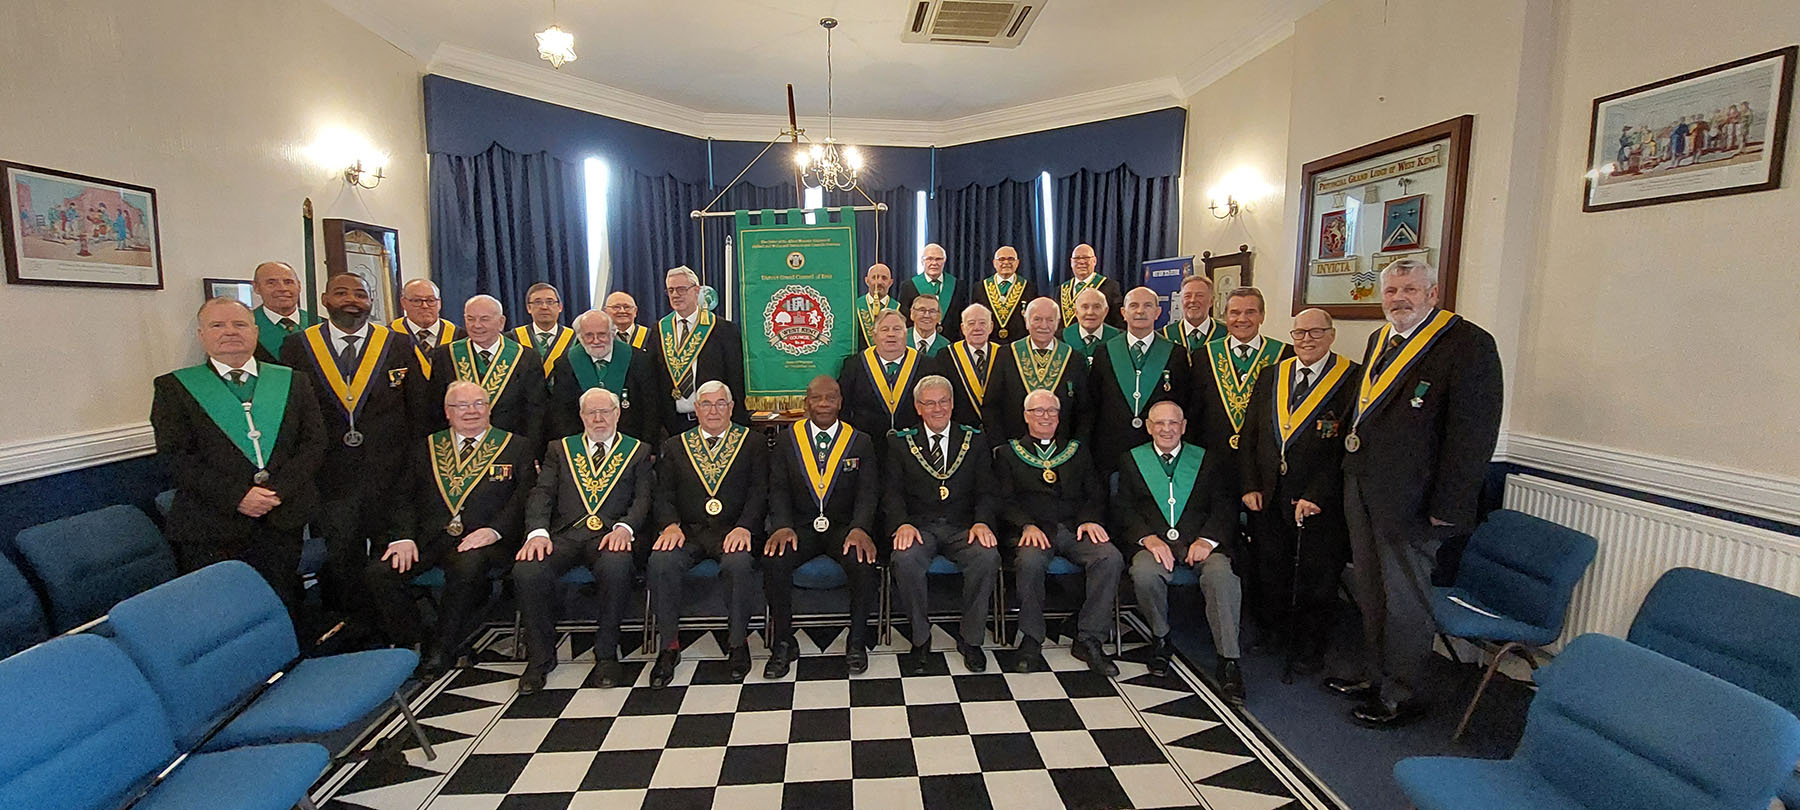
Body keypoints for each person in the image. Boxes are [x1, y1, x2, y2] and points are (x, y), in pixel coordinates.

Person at [1324, 259, 1502, 728]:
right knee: (1370, 589)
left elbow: (1473, 436)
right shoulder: (1381, 338)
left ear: (1433, 293)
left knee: (1406, 598)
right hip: (1363, 485)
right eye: (1391, 290)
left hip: (1416, 501)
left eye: (1410, 289)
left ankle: (1402, 692)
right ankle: (1377, 674)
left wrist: (1450, 506)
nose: (1399, 298)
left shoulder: (1468, 345)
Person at [152, 298, 325, 611]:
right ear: (202, 335)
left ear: (255, 332)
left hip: (281, 518)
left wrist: (275, 492)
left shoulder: (293, 381)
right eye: (217, 325)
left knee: (284, 604)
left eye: (239, 324)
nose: (230, 331)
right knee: (225, 613)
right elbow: (174, 459)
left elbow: (313, 443)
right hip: (212, 524)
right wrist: (238, 496)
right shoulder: (174, 389)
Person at [278, 272, 426, 621]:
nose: (351, 300)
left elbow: (418, 407)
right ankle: (355, 627)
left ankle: (395, 626)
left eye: (360, 294)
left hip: (390, 472)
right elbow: (291, 413)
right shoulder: (299, 346)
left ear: (370, 302)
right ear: (325, 299)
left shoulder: (396, 344)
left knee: (390, 554)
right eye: (341, 293)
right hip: (331, 475)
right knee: (342, 555)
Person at [366, 381, 535, 674]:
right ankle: (413, 641)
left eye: (478, 404)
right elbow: (403, 496)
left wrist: (494, 531)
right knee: (380, 573)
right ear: (447, 412)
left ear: (489, 408)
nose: (471, 411)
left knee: (467, 567)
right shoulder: (426, 447)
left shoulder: (516, 446)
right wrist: (403, 537)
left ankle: (443, 649)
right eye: (462, 405)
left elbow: (524, 500)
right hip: (429, 538)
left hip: (487, 540)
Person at [1238, 308, 1358, 674]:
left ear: (1331, 335)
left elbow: (1346, 448)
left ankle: (1310, 648)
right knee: (1270, 570)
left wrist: (1317, 495)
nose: (1306, 340)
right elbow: (1250, 437)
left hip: (1317, 501)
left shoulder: (1351, 379)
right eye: (1299, 333)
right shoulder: (1273, 375)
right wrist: (1250, 485)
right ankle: (1273, 634)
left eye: (1315, 332)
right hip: (1270, 495)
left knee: (1315, 577)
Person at [515, 388, 654, 692]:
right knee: (528, 568)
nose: (599, 418)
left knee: (617, 567)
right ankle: (540, 658)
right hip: (565, 535)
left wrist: (625, 528)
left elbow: (643, 499)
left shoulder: (638, 451)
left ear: (618, 413)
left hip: (610, 536)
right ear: (581, 416)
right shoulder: (560, 449)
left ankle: (606, 655)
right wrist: (537, 532)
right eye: (591, 412)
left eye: (605, 411)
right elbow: (542, 493)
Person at [1121, 401, 1244, 701]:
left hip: (1201, 544)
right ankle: (1161, 638)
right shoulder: (1130, 460)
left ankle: (1229, 660)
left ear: (1184, 426)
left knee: (1222, 577)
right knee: (1144, 573)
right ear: (1148, 426)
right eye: (1159, 423)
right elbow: (1124, 508)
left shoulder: (1208, 460)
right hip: (1155, 545)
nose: (1166, 429)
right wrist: (1148, 538)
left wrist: (1208, 540)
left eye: (1173, 423)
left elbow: (1225, 506)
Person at [993, 388, 1121, 676]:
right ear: (1026, 416)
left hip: (1075, 528)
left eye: (1051, 411)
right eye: (1038, 411)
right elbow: (1003, 500)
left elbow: (1095, 494)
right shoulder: (1007, 453)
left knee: (1109, 557)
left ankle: (1089, 638)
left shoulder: (1077, 450)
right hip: (1034, 530)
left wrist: (1090, 519)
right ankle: (1031, 638)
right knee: (1030, 561)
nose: (1045, 416)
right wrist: (1026, 524)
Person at [648, 382, 766, 687]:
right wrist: (670, 524)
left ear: (731, 407)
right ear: (696, 409)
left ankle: (737, 644)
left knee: (738, 565)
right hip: (687, 531)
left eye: (720, 404)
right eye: (706, 404)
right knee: (661, 561)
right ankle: (668, 646)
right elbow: (663, 494)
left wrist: (745, 526)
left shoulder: (752, 442)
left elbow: (759, 492)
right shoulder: (675, 446)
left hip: (733, 530)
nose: (713, 411)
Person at [762, 376, 880, 678]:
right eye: (817, 398)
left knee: (863, 560)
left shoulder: (860, 441)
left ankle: (856, 642)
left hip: (843, 527)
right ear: (807, 402)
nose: (824, 404)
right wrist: (783, 525)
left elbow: (868, 492)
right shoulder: (788, 438)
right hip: (800, 526)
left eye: (831, 398)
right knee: (774, 560)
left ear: (841, 402)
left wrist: (860, 527)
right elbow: (777, 488)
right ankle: (784, 642)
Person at [884, 375, 1000, 675]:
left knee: (987, 556)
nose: (938, 409)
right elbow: (891, 491)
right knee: (904, 558)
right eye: (930, 403)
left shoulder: (974, 439)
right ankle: (920, 639)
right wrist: (901, 524)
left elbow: (987, 489)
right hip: (920, 526)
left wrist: (983, 522)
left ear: (952, 403)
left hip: (963, 526)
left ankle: (971, 639)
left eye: (944, 402)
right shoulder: (898, 442)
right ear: (918, 407)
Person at [1087, 287, 1190, 473]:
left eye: (1147, 306)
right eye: (1134, 306)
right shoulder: (1104, 352)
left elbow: (1183, 403)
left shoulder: (1176, 354)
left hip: (1156, 450)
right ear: (1123, 313)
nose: (1140, 311)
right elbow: (1093, 403)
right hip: (1110, 452)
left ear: (1158, 313)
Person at [426, 296, 547, 448]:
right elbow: (435, 408)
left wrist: (531, 451)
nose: (477, 325)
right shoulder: (445, 355)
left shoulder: (527, 357)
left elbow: (535, 413)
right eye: (470, 319)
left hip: (511, 447)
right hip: (457, 446)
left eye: (484, 319)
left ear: (501, 322)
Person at [1188, 286, 1292, 458]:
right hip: (1213, 457)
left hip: (1263, 456)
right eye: (1235, 312)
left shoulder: (1285, 355)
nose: (1242, 319)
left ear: (1262, 316)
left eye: (1250, 312)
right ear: (1225, 317)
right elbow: (1194, 412)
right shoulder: (1203, 356)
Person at [644, 265, 747, 436]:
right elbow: (653, 382)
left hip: (715, 423)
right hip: (673, 426)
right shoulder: (659, 330)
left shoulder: (723, 329)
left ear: (697, 290)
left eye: (682, 289)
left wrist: (739, 423)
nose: (676, 295)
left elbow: (735, 379)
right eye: (671, 290)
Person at [983, 298, 1092, 444]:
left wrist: (1077, 446)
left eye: (1050, 320)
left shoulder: (1074, 358)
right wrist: (1000, 447)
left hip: (1062, 451)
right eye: (1037, 319)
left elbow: (1085, 411)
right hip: (1015, 449)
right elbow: (991, 406)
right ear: (1026, 322)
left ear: (1058, 322)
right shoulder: (1006, 355)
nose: (1044, 325)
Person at [547, 310, 663, 444]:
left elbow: (651, 409)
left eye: (602, 334)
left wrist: (649, 447)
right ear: (579, 337)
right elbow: (561, 413)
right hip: (582, 445)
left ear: (613, 333)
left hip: (632, 445)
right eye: (589, 335)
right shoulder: (565, 364)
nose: (596, 340)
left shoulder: (639, 361)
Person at [838, 309, 942, 441]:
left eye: (897, 329)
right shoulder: (854, 366)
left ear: (906, 334)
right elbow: (844, 410)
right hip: (868, 445)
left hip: (914, 446)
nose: (891, 334)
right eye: (885, 329)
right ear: (874, 336)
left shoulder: (927, 366)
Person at [898, 243, 967, 343]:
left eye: (938, 259)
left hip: (950, 344)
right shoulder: (908, 286)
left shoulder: (958, 285)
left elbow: (962, 317)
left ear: (944, 261)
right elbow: (904, 319)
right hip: (919, 344)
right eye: (929, 259)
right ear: (922, 261)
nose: (934, 263)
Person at [250, 261, 316, 363]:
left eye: (288, 282)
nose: (282, 288)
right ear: (256, 288)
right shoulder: (245, 327)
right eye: (271, 283)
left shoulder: (319, 323)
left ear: (299, 286)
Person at [944, 304, 997, 428]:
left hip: (997, 432)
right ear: (963, 328)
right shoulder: (946, 356)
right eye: (971, 323)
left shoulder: (1003, 354)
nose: (977, 328)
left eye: (983, 323)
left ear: (991, 327)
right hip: (961, 431)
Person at [392, 279, 457, 379]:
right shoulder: (389, 337)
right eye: (417, 301)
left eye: (431, 300)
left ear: (439, 303)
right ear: (403, 303)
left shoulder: (459, 337)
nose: (425, 306)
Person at [974, 246, 1037, 342]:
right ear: (994, 263)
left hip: (1018, 344)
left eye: (1011, 259)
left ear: (1017, 263)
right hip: (988, 343)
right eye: (1001, 259)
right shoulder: (980, 288)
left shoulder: (1029, 288)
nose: (1006, 263)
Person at [512, 282, 574, 379]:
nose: (544, 307)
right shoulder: (513, 339)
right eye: (537, 302)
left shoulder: (575, 339)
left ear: (560, 307)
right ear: (528, 308)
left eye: (550, 302)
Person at [1057, 243, 1123, 329]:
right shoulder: (1062, 289)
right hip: (1067, 339)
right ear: (1071, 262)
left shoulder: (1110, 286)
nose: (1081, 262)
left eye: (1086, 258)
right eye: (1077, 258)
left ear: (1094, 261)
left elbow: (1116, 321)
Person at [1161, 275, 1224, 353]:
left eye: (1199, 296)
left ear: (1211, 301)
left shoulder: (1225, 333)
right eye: (1187, 296)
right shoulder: (1165, 335)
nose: (1193, 300)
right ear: (1181, 300)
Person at [1061, 288, 1120, 364]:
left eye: (1097, 307)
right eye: (1085, 307)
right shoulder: (1060, 339)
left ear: (1106, 311)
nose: (1090, 312)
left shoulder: (1118, 339)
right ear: (1076, 312)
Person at [853, 263, 898, 350]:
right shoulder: (854, 307)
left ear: (890, 282)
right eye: (875, 277)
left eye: (884, 278)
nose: (879, 282)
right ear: (867, 281)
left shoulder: (899, 309)